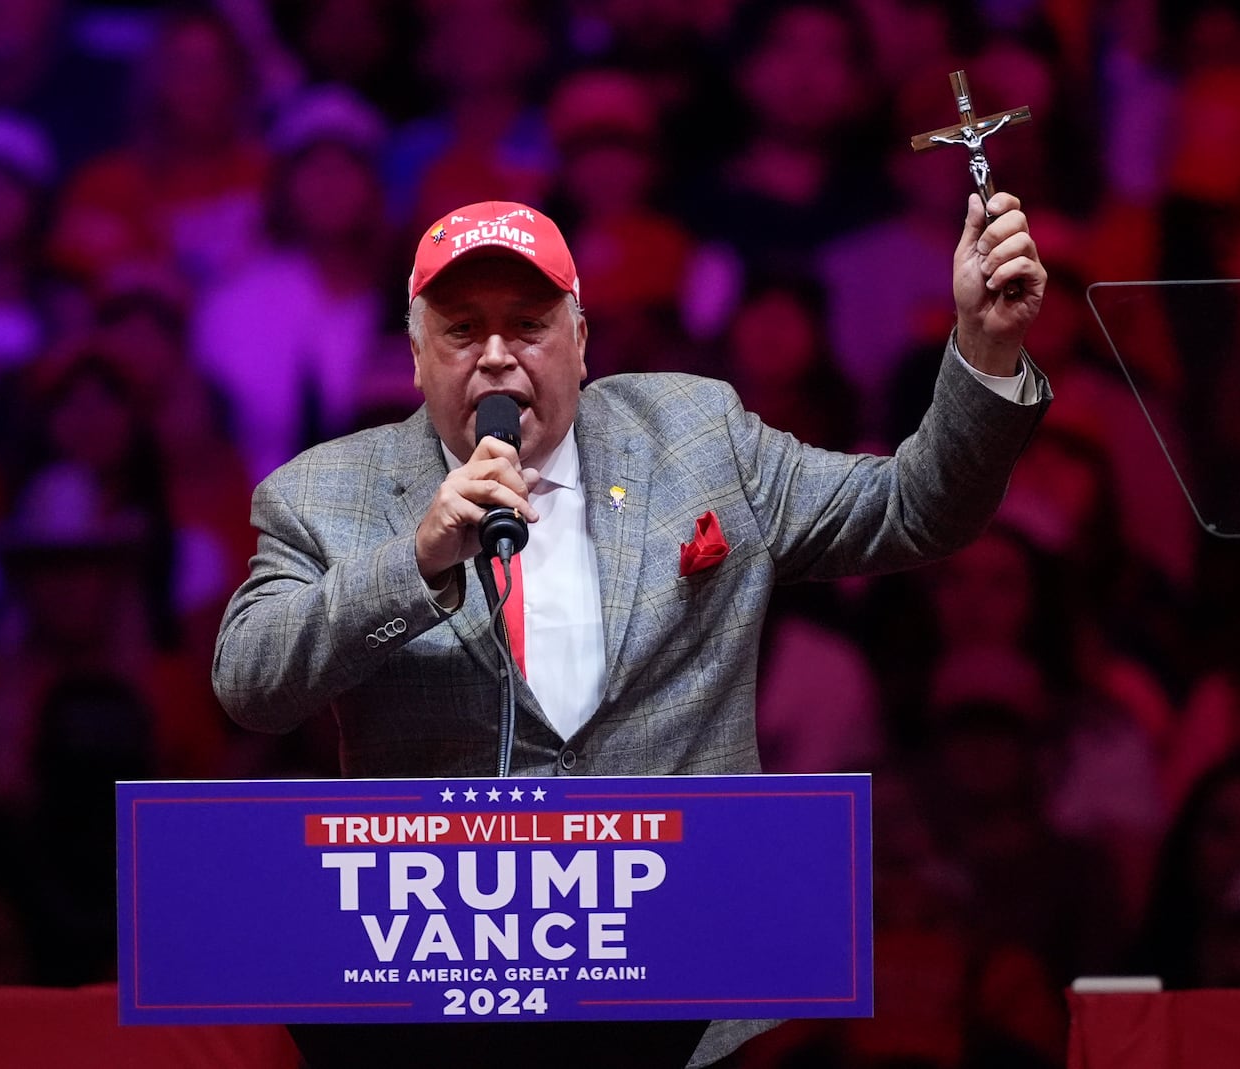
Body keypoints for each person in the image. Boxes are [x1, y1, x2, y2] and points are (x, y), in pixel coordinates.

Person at [212, 194, 1049, 1067]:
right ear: (418, 356)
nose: (497, 355)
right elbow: (249, 682)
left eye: (528, 324)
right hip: (440, 996)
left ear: (580, 340)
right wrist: (416, 559)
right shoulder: (326, 494)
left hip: (685, 993)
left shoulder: (697, 438)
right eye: (462, 329)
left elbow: (913, 509)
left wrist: (985, 351)